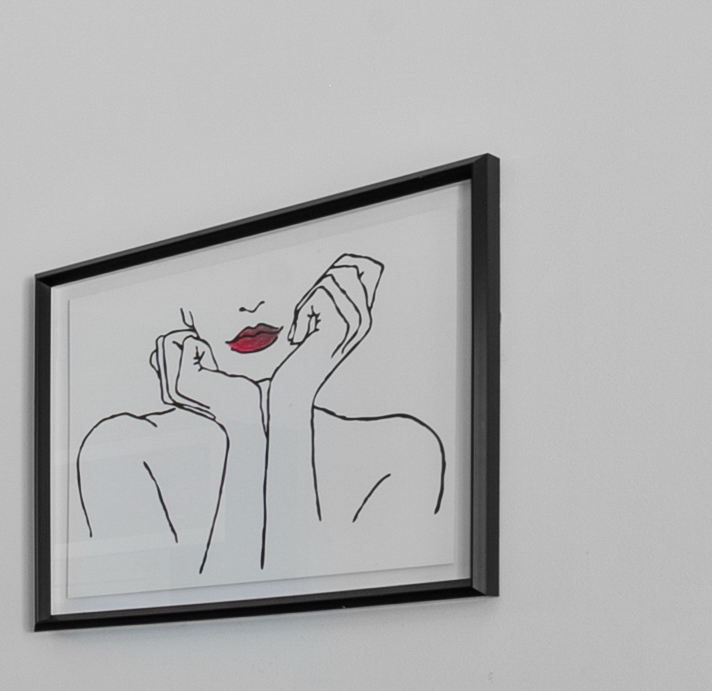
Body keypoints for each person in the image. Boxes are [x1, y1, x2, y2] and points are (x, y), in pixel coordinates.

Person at [71, 248, 445, 581]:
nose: (250, 304)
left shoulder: (403, 449)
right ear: (184, 310)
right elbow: (208, 624)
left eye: (277, 274)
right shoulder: (121, 448)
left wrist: (290, 401)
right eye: (214, 284)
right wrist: (245, 428)